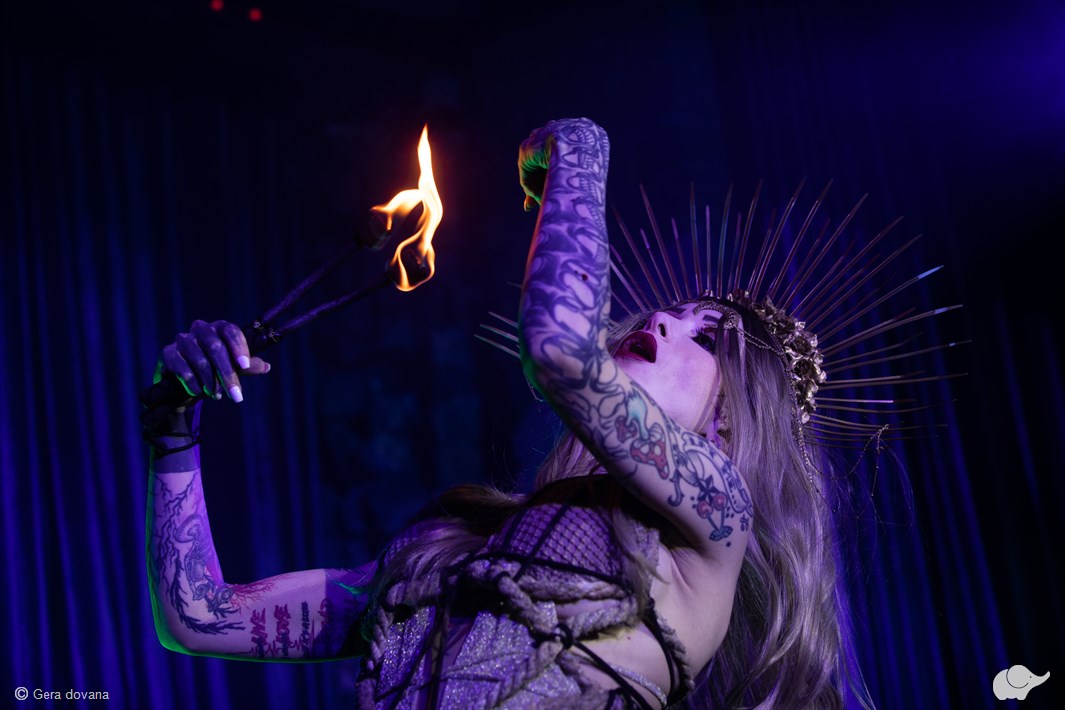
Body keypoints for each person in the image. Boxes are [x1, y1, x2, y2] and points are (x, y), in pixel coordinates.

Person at [146, 118, 873, 708]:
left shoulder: (715, 515)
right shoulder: (448, 550)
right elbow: (200, 617)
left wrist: (580, 145)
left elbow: (559, 351)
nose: (661, 320)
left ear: (731, 422)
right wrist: (173, 423)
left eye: (705, 338)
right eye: (671, 311)